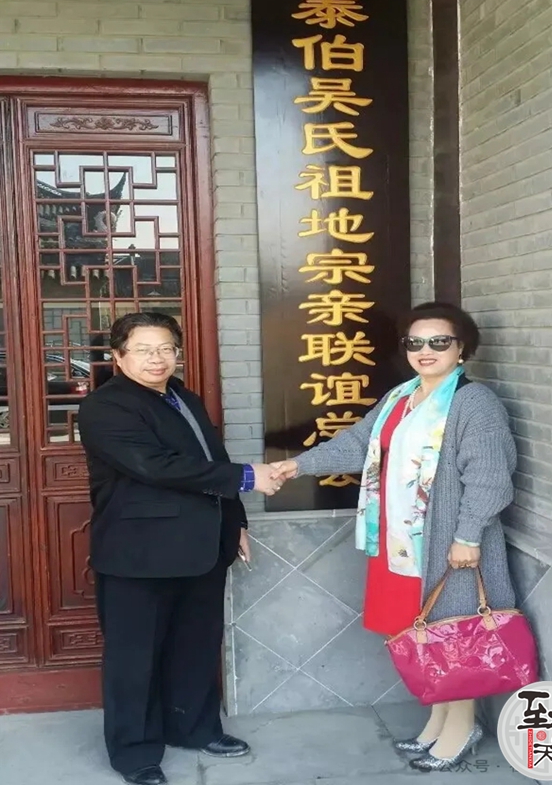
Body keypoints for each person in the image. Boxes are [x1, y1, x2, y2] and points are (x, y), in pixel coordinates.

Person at [273, 302, 517, 771]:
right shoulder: (402, 397)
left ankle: (462, 727)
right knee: (418, 631)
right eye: (415, 342)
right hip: (400, 542)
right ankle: (438, 721)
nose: (426, 351)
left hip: (446, 543)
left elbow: (489, 478)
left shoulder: (474, 403)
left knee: (451, 634)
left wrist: (468, 536)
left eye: (439, 342)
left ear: (462, 348)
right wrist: (296, 466)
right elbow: (357, 444)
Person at [79, 312, 285, 785]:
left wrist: (235, 522)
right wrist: (247, 476)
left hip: (203, 547)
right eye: (143, 349)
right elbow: (155, 466)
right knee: (134, 657)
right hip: (139, 554)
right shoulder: (105, 408)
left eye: (166, 348)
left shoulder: (182, 397)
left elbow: (212, 459)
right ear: (118, 356)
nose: (157, 358)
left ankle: (193, 727)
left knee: (195, 645)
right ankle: (135, 753)